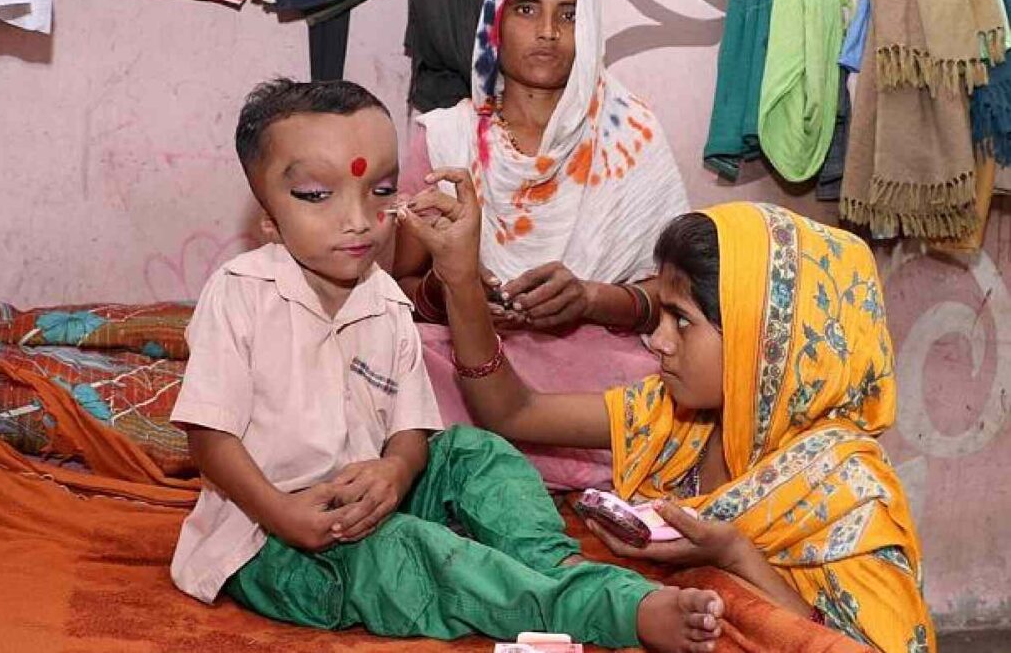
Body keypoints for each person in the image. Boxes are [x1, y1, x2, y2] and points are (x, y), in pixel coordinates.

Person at [168, 78, 726, 652]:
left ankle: (551, 565)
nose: (358, 219)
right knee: (411, 553)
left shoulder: (386, 300)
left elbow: (411, 431)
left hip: (374, 494)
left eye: (379, 190)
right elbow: (209, 439)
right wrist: (283, 514)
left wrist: (396, 471)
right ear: (267, 217)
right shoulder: (239, 292)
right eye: (318, 195)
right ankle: (611, 608)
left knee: (475, 452)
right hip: (273, 538)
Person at [397, 171, 937, 652]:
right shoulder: (679, 416)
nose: (656, 341)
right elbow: (513, 412)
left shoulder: (848, 496)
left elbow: (838, 644)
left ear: (761, 341)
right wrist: (462, 280)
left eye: (681, 320)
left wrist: (735, 556)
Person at [392, 0, 691, 490]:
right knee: (401, 359)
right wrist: (459, 295)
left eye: (570, 14)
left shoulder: (633, 135)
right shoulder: (444, 137)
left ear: (592, 27)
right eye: (527, 9)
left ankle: (489, 466)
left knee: (667, 386)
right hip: (470, 353)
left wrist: (591, 299)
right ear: (495, 25)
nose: (548, 30)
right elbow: (399, 288)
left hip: (591, 354)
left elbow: (676, 297)